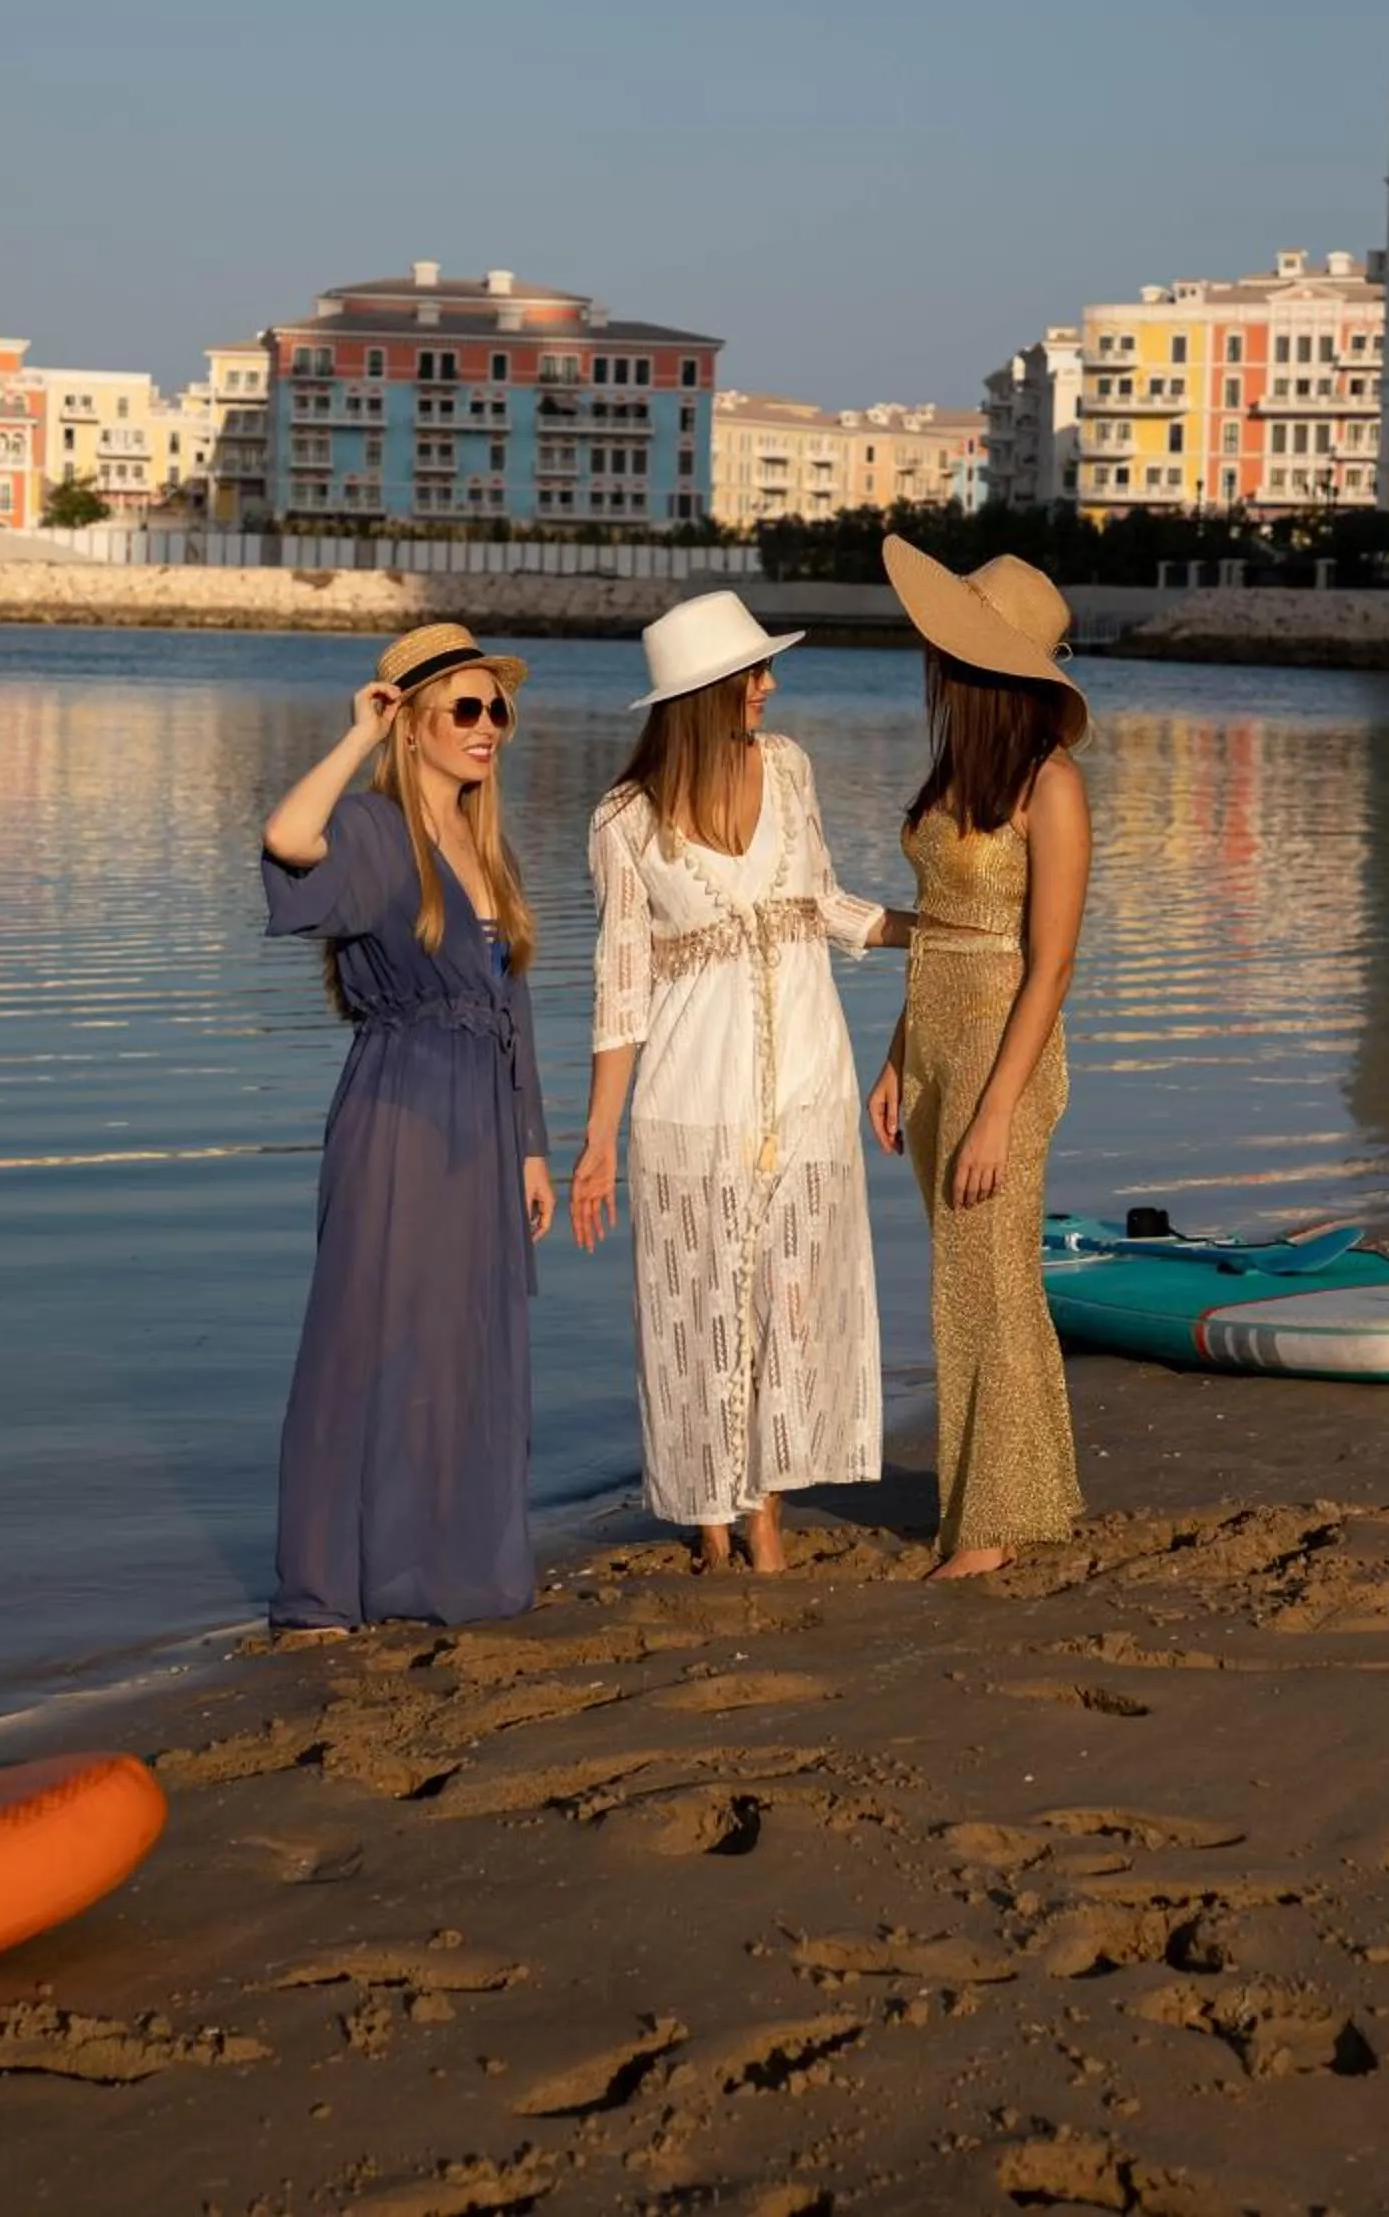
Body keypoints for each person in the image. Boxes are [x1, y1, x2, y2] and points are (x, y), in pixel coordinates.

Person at [570, 588, 909, 1574]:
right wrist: (597, 1136)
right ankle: (710, 1523)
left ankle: (762, 1509)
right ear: (702, 694)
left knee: (789, 1304)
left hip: (806, 1086)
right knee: (699, 1315)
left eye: (764, 670)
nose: (768, 685)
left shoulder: (790, 769)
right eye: (750, 673)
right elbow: (619, 990)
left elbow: (822, 902)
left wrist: (920, 932)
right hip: (689, 1104)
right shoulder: (623, 823)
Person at [260, 621, 555, 1632]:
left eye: (496, 710)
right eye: (464, 710)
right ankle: (332, 1585)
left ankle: (438, 1572)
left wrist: (530, 1148)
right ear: (412, 724)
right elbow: (286, 843)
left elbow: (513, 1015)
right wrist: (354, 735)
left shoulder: (486, 845)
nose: (487, 728)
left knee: (455, 1343)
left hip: (480, 1121)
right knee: (368, 1341)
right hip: (396, 1111)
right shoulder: (377, 831)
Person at [866, 543, 1091, 1581]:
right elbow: (941, 928)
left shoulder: (1051, 788)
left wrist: (998, 1110)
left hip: (1006, 1048)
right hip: (935, 1042)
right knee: (969, 1279)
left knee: (986, 1281)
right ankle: (1018, 1498)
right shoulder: (957, 768)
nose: (933, 665)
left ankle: (991, 1526)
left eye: (949, 650)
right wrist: (892, 1058)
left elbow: (1047, 966)